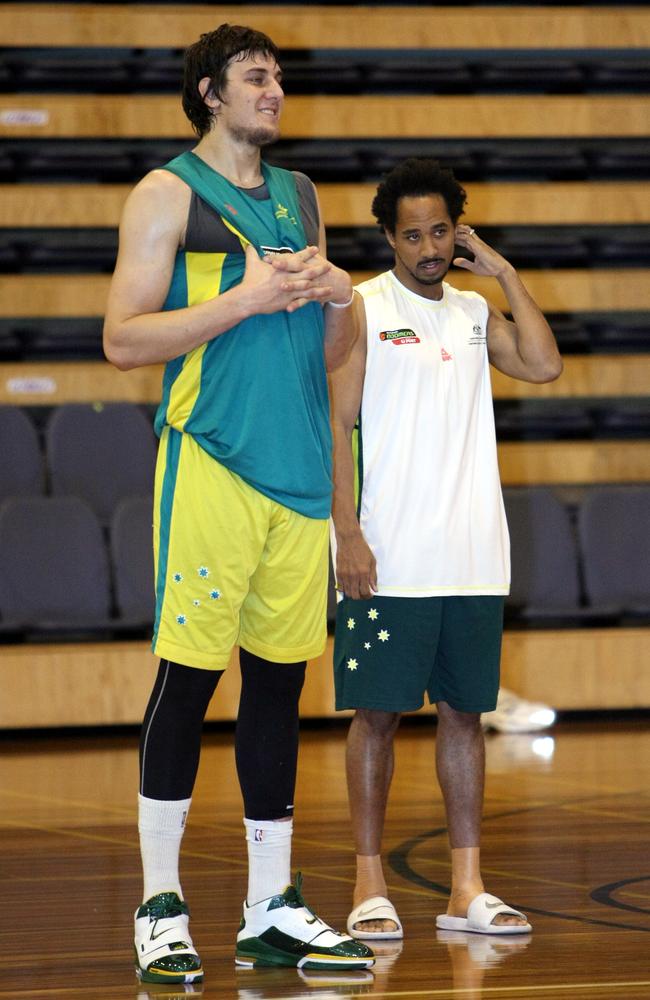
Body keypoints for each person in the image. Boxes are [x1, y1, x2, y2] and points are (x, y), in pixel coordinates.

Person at [103, 23, 373, 984]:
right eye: (256, 77)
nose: (275, 91)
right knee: (188, 677)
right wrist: (246, 299)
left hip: (300, 473)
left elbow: (335, 357)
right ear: (210, 91)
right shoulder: (165, 194)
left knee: (278, 691)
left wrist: (341, 297)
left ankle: (271, 906)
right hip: (213, 464)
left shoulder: (302, 198)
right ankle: (160, 902)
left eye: (281, 78)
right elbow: (124, 342)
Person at [329, 157, 562, 941]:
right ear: (389, 238)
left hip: (471, 555)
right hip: (387, 555)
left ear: (456, 231)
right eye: (411, 234)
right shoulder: (362, 308)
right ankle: (369, 886)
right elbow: (334, 424)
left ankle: (466, 887)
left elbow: (543, 363)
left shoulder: (470, 310)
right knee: (377, 717)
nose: (427, 246)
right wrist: (346, 533)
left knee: (465, 716)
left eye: (439, 231)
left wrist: (502, 272)